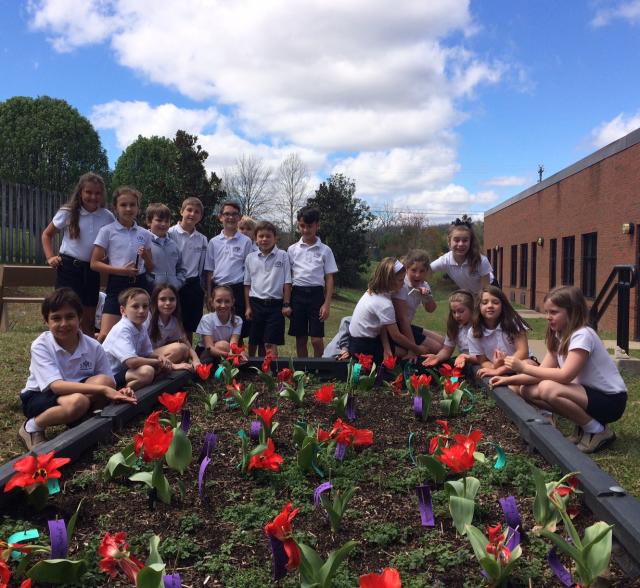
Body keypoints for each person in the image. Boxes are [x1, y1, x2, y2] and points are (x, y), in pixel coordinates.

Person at [490, 286, 628, 453]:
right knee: (527, 390)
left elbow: (564, 376)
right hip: (586, 394)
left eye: (554, 312)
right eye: (547, 312)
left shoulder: (583, 335)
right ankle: (584, 426)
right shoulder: (559, 335)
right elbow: (542, 372)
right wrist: (507, 380)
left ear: (572, 311)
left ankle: (598, 431)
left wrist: (523, 367)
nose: (548, 317)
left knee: (548, 388)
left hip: (611, 401)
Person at [18, 289, 136, 450]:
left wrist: (119, 392)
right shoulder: (41, 345)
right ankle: (32, 427)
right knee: (78, 402)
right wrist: (102, 389)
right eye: (56, 318)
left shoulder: (93, 346)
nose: (64, 324)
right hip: (39, 395)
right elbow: (56, 386)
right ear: (46, 321)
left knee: (105, 381)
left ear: (80, 318)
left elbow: (109, 383)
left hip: (77, 391)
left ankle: (85, 421)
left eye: (70, 316)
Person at [41, 172, 115, 335]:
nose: (93, 197)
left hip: (92, 270)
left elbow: (113, 241)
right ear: (80, 191)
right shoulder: (68, 211)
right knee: (64, 312)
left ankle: (87, 355)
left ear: (102, 195)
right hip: (68, 268)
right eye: (88, 192)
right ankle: (60, 351)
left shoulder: (107, 216)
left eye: (97, 193)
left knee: (88, 317)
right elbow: (47, 234)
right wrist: (50, 257)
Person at [91, 187, 153, 341]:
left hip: (140, 284)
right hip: (117, 285)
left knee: (139, 334)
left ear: (138, 208)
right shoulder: (107, 231)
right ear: (115, 208)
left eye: (133, 205)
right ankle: (99, 364)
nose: (128, 208)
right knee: (106, 335)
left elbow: (151, 268)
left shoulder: (144, 234)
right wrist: (120, 271)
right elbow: (94, 263)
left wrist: (145, 256)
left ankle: (133, 364)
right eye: (123, 205)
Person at [348, 258, 431, 364]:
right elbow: (396, 336)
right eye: (401, 280)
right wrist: (417, 349)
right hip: (363, 346)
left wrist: (386, 347)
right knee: (406, 353)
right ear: (389, 280)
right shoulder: (384, 304)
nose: (403, 283)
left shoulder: (373, 292)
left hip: (357, 340)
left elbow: (382, 324)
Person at [287, 206, 338, 357]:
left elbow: (329, 278)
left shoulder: (325, 250)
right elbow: (288, 279)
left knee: (316, 339)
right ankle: (302, 370)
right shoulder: (292, 250)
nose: (305, 230)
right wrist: (287, 301)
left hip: (316, 296)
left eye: (309, 226)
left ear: (317, 225)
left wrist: (326, 304)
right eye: (302, 226)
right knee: (300, 337)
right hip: (298, 295)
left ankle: (318, 367)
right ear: (298, 225)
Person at [102, 288, 171, 390]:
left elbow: (147, 353)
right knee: (147, 372)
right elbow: (132, 362)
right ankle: (121, 393)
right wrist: (157, 362)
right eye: (135, 306)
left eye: (145, 306)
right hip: (110, 376)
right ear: (123, 310)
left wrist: (160, 357)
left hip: (126, 371)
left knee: (156, 368)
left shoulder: (140, 326)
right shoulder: (122, 329)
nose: (141, 311)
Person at [204, 201, 253, 338]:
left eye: (234, 214)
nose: (230, 217)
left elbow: (249, 271)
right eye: (227, 214)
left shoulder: (246, 241)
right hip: (218, 288)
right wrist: (209, 295)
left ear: (239, 217)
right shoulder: (213, 242)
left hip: (237, 289)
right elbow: (209, 271)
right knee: (217, 327)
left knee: (238, 329)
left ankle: (237, 357)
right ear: (220, 217)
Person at [243, 220, 292, 357]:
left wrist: (286, 304)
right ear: (255, 239)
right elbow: (247, 284)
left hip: (275, 305)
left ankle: (271, 372)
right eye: (261, 236)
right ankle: (251, 370)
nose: (264, 239)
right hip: (255, 303)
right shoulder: (250, 258)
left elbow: (287, 282)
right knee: (254, 340)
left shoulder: (282, 255)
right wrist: (248, 307)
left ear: (275, 238)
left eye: (268, 236)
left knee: (270, 342)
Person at [168, 196, 208, 344]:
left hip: (192, 285)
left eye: (197, 212)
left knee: (188, 326)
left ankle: (188, 356)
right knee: (171, 322)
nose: (192, 214)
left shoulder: (202, 239)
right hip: (173, 284)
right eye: (189, 210)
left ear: (200, 216)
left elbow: (202, 265)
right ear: (181, 211)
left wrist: (202, 288)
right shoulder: (170, 233)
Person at [469, 285, 532, 379]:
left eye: (495, 302)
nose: (490, 305)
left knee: (528, 365)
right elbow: (483, 360)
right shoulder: (473, 331)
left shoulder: (513, 322)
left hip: (521, 364)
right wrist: (494, 367)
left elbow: (523, 352)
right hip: (498, 368)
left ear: (503, 305)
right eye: (485, 302)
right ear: (479, 306)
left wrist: (500, 370)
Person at [392, 249, 444, 356]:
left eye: (422, 271)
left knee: (443, 342)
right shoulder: (402, 285)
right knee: (437, 348)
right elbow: (402, 319)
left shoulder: (424, 285)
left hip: (407, 325)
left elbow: (431, 309)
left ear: (427, 271)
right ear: (406, 269)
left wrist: (427, 297)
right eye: (413, 270)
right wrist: (413, 348)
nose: (417, 275)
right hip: (396, 327)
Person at [429, 218, 494, 293]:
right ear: (449, 241)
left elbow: (486, 292)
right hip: (471, 294)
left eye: (465, 240)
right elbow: (426, 271)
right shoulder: (445, 260)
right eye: (456, 240)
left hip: (490, 290)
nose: (461, 244)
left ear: (470, 242)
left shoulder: (481, 261)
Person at [147, 284, 201, 371]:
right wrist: (173, 365)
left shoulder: (174, 321)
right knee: (179, 348)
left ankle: (158, 370)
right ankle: (158, 370)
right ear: (155, 301)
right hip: (143, 356)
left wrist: (196, 360)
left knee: (184, 349)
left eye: (172, 299)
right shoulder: (147, 317)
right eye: (162, 299)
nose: (168, 303)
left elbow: (186, 343)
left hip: (157, 355)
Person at [422, 289, 476, 369]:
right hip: (462, 362)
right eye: (454, 312)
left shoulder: (479, 327)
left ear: (472, 310)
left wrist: (467, 357)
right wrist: (437, 357)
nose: (457, 315)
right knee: (443, 368)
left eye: (461, 311)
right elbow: (447, 350)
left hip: (479, 363)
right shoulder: (455, 327)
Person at [196, 285, 247, 363]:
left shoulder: (237, 320)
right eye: (219, 301)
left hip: (226, 349)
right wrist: (229, 355)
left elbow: (233, 344)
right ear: (212, 302)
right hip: (206, 352)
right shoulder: (207, 319)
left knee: (244, 355)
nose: (223, 305)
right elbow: (209, 347)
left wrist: (238, 354)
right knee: (222, 345)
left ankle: (227, 370)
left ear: (233, 302)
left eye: (227, 301)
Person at [146, 203, 186, 291]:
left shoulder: (174, 245)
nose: (163, 224)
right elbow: (142, 269)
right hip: (151, 292)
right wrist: (153, 283)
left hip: (171, 293)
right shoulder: (145, 243)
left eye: (167, 221)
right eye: (159, 220)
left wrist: (177, 283)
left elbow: (181, 268)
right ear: (149, 222)